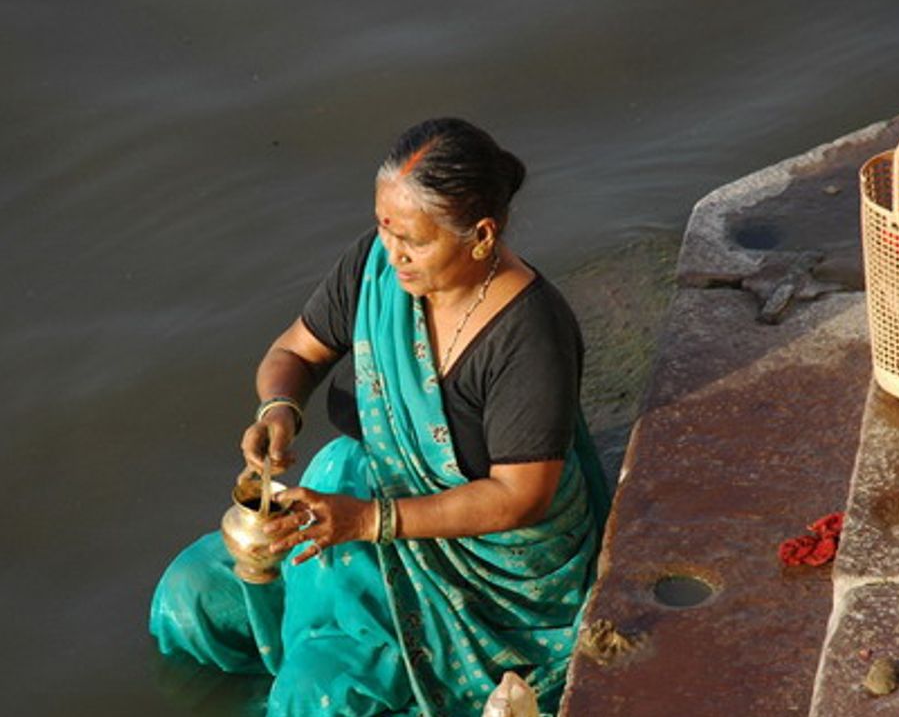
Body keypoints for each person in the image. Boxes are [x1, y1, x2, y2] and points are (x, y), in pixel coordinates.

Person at [149, 117, 611, 716]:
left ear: (480, 236)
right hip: (360, 502)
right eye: (384, 229)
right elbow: (294, 351)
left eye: (413, 242)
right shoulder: (376, 267)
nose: (393, 255)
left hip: (487, 578)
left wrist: (369, 522)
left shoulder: (529, 336)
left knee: (319, 694)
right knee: (192, 600)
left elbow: (520, 498)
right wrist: (279, 411)